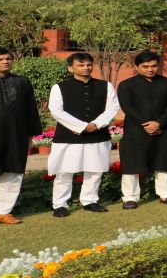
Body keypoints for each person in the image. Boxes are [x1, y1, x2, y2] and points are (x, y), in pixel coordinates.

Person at [0, 47, 42, 229]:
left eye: (8, 58)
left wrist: (30, 135)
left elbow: (31, 110)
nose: (6, 61)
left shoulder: (22, 82)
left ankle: (3, 212)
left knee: (12, 173)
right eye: (0, 59)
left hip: (15, 136)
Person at [48, 52, 120, 217]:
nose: (86, 68)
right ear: (70, 68)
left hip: (97, 134)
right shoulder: (59, 87)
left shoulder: (105, 86)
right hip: (68, 136)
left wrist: (96, 124)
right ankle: (60, 204)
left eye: (88, 64)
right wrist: (81, 126)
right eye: (81, 65)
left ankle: (90, 201)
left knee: (95, 170)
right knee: (64, 171)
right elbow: (56, 111)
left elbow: (112, 108)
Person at [117, 51, 167, 208]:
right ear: (136, 66)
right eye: (145, 66)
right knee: (132, 164)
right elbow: (127, 107)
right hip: (136, 129)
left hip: (163, 129)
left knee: (164, 162)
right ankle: (130, 198)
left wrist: (159, 123)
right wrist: (147, 124)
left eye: (154, 66)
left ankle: (165, 194)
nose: (150, 69)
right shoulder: (126, 85)